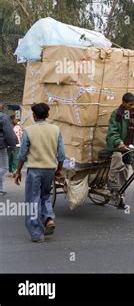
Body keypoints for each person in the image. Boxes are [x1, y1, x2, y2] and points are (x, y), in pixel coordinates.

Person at [14, 103, 65, 243]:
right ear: (48, 115)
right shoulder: (56, 129)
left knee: (32, 200)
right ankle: (48, 218)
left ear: (34, 116)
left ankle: (37, 234)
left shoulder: (29, 131)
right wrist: (59, 169)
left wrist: (18, 171)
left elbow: (22, 155)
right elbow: (61, 155)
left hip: (35, 171)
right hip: (49, 170)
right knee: (45, 196)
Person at [106, 93, 134, 208]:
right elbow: (112, 132)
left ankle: (120, 195)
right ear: (124, 103)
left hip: (130, 147)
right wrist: (119, 142)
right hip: (118, 146)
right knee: (117, 158)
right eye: (130, 105)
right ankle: (111, 181)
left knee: (126, 171)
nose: (132, 107)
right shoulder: (117, 114)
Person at [0, 103, 17, 196]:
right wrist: (13, 146)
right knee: (4, 167)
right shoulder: (3, 117)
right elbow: (9, 133)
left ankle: (1, 189)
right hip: (1, 146)